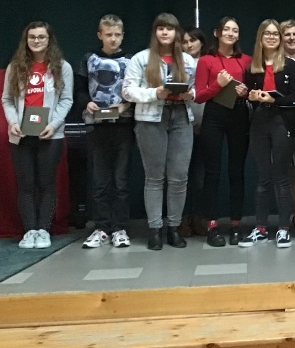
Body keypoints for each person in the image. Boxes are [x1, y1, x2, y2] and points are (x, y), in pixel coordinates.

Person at [123, 13, 196, 250]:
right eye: (161, 28)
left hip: (181, 117)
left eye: (170, 29)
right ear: (155, 32)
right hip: (151, 118)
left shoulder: (187, 59)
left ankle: (174, 227)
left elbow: (196, 88)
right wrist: (155, 93)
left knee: (179, 176)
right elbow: (127, 91)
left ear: (176, 33)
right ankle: (155, 229)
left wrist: (190, 94)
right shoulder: (141, 58)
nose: (165, 32)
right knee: (154, 177)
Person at [3, 21, 73, 249]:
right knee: (25, 185)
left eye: (41, 37)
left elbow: (66, 100)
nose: (36, 41)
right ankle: (30, 231)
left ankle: (43, 230)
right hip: (21, 135)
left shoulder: (62, 67)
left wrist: (53, 124)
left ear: (49, 40)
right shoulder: (15, 67)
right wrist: (13, 122)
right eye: (32, 37)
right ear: (26, 40)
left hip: (50, 135)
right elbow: (7, 100)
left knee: (46, 184)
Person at [240, 19, 295, 248]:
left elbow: (294, 98)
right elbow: (250, 96)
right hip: (259, 122)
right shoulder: (252, 66)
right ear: (260, 37)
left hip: (282, 122)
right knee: (263, 177)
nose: (272, 37)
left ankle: (283, 229)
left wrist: (274, 100)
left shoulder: (290, 64)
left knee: (281, 176)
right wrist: (251, 96)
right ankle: (260, 228)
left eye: (276, 34)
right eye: (267, 33)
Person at [75, 14, 134, 249]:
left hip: (123, 126)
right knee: (100, 182)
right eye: (108, 34)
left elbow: (135, 90)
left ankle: (120, 228)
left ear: (123, 36)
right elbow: (79, 89)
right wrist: (86, 103)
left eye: (117, 35)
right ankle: (101, 227)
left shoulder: (131, 60)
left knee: (121, 181)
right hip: (96, 126)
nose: (113, 39)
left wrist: (125, 106)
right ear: (100, 35)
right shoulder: (89, 59)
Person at [194, 17, 251, 247]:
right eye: (226, 29)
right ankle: (212, 226)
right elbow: (199, 96)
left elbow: (253, 91)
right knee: (212, 173)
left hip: (239, 115)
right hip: (214, 115)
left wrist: (245, 92)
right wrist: (218, 84)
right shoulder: (206, 60)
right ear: (217, 33)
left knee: (237, 172)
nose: (230, 33)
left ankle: (236, 225)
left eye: (234, 30)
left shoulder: (246, 60)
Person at [179, 27, 208, 238]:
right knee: (180, 175)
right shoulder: (177, 64)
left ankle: (198, 217)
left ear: (201, 42)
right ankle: (181, 219)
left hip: (205, 126)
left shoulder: (208, 62)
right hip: (181, 125)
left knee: (200, 177)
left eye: (193, 40)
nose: (189, 45)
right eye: (185, 41)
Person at [280, 19, 295, 233]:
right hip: (283, 122)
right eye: (287, 34)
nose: (291, 38)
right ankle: (289, 219)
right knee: (286, 173)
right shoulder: (276, 63)